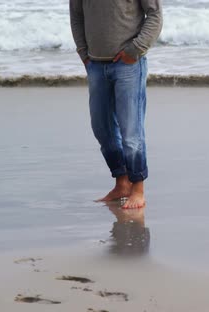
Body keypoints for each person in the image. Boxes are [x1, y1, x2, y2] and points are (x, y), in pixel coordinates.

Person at [69, 0, 163, 209]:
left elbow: (155, 15)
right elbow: (76, 16)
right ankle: (122, 183)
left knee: (131, 132)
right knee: (102, 128)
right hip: (95, 64)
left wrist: (136, 49)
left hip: (129, 64)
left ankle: (138, 189)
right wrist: (83, 52)